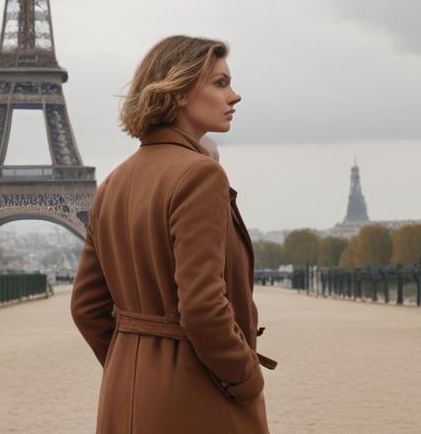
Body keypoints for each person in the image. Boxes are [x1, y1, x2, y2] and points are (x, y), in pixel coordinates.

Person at [71, 35, 275, 433]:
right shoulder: (199, 174)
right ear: (179, 91)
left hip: (125, 395)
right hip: (196, 396)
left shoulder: (114, 182)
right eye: (219, 83)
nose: (234, 96)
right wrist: (245, 377)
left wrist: (133, 360)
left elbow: (86, 308)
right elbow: (202, 307)